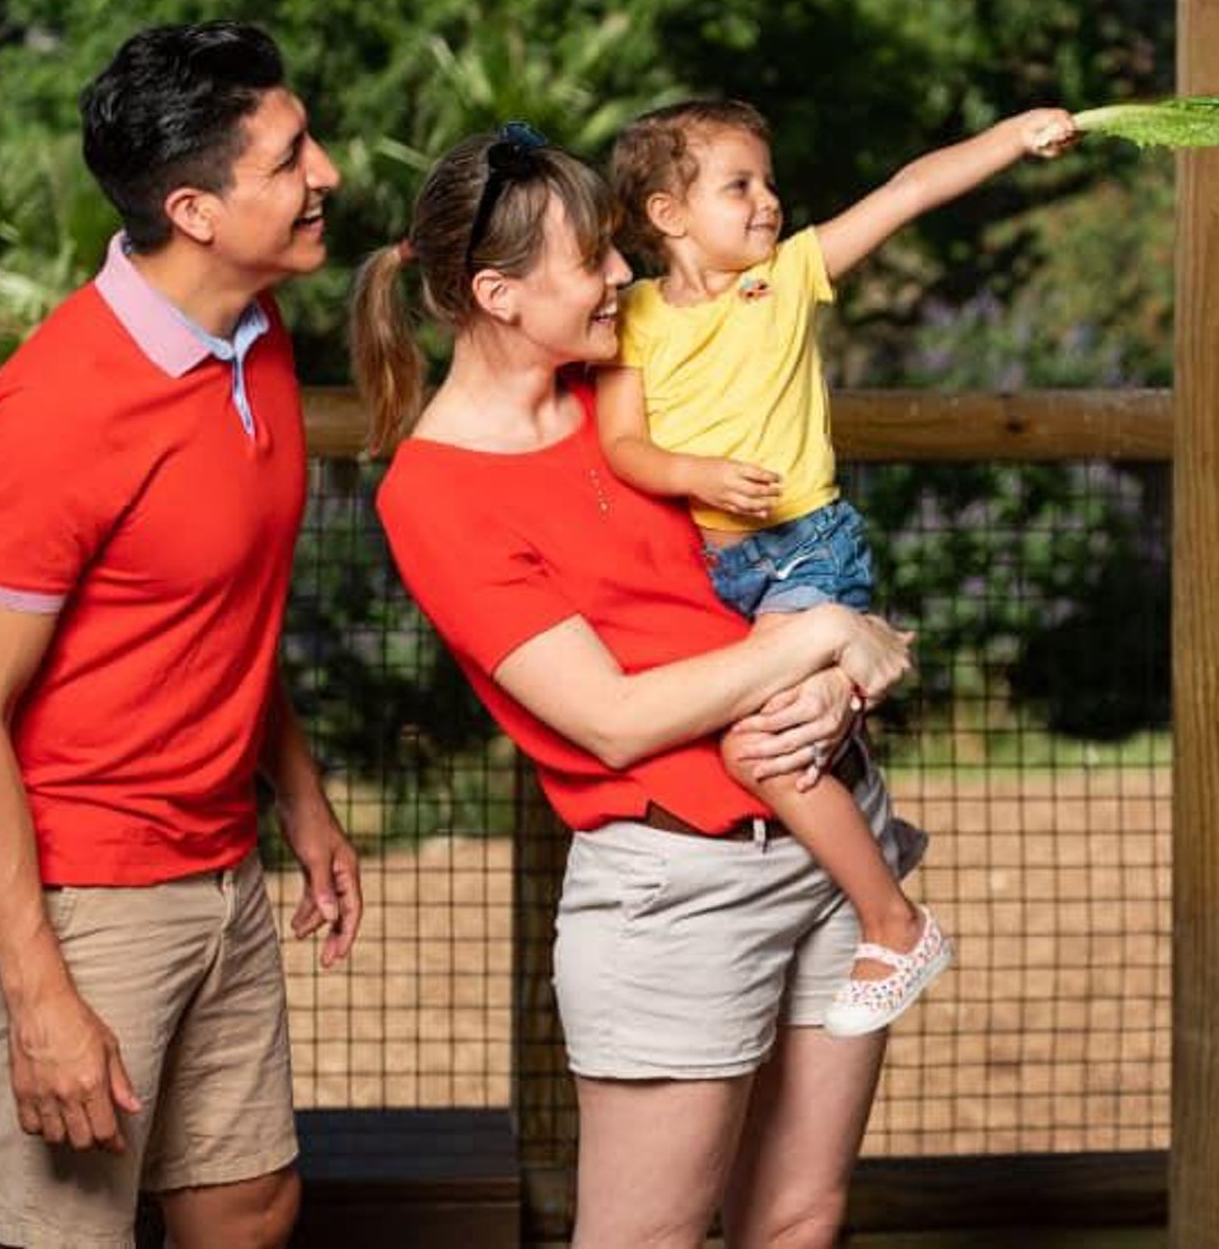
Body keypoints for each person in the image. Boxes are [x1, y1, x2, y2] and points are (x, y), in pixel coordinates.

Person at [352, 124, 918, 1249]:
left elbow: (790, 559)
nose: (622, 272)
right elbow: (611, 720)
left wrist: (846, 677)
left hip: (833, 824)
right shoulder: (434, 494)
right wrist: (826, 638)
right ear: (499, 295)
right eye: (591, 260)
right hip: (680, 887)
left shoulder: (634, 383)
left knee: (802, 1215)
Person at [0, 21, 364, 1249]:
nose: (326, 172)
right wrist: (38, 994)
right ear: (195, 210)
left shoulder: (255, 335)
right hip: (74, 889)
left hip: (218, 861)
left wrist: (302, 800)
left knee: (250, 1203)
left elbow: (211, 611)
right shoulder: (50, 413)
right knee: (66, 1232)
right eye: (289, 158)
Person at [599, 99, 1077, 1033]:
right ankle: (868, 819)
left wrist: (1015, 137)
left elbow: (908, 191)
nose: (768, 201)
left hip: (808, 552)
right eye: (740, 185)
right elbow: (624, 444)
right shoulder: (637, 318)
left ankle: (895, 924)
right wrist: (697, 473)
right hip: (717, 571)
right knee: (778, 732)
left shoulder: (786, 276)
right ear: (667, 214)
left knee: (757, 749)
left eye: (768, 182)